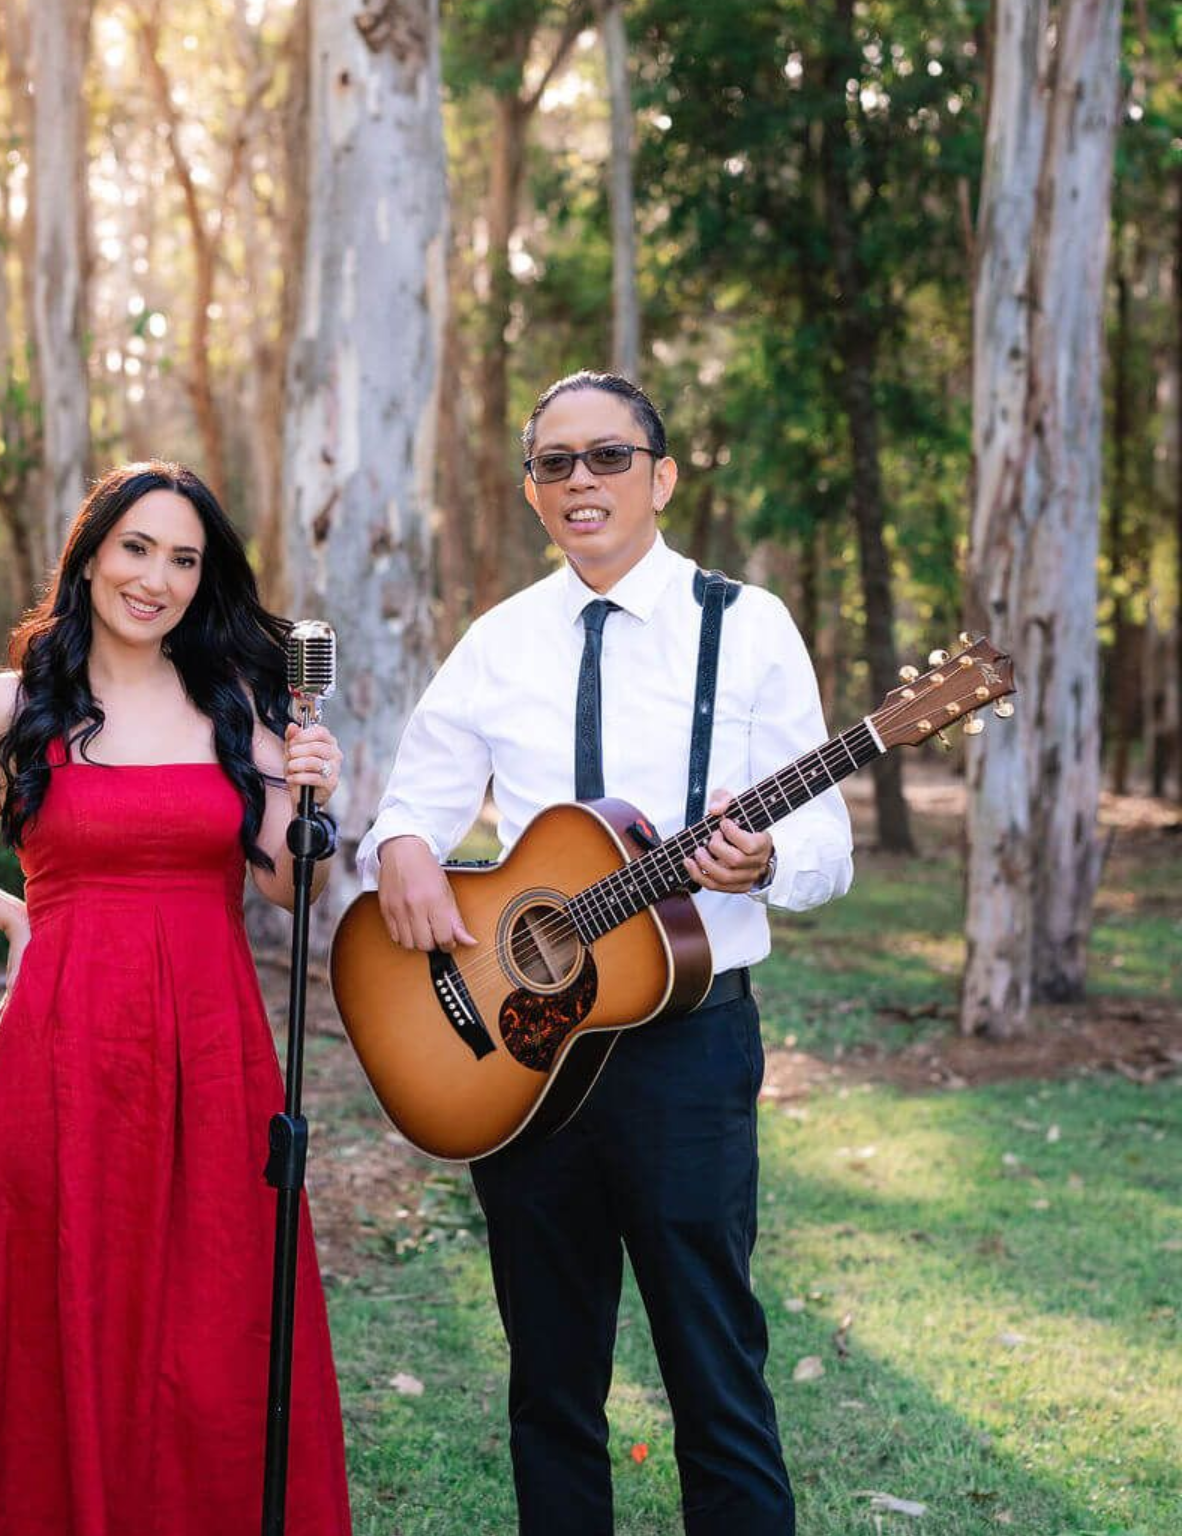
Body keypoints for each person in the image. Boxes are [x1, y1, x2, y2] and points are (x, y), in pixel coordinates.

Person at [357, 373, 853, 1535]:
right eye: (554, 463)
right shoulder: (498, 641)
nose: (581, 480)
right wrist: (409, 853)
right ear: (534, 490)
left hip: (686, 1049)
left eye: (609, 457)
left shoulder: (747, 625)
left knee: (715, 1373)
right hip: (521, 1060)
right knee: (551, 1382)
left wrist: (767, 862)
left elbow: (822, 840)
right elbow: (406, 812)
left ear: (662, 477)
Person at [0, 462, 353, 1535]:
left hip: (213, 1053)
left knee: (208, 1321)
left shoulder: (235, 707)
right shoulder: (16, 706)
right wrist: (15, 917)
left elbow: (285, 884)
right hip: (63, 1052)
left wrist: (308, 794)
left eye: (182, 559)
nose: (154, 579)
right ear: (89, 554)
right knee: (56, 1310)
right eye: (136, 548)